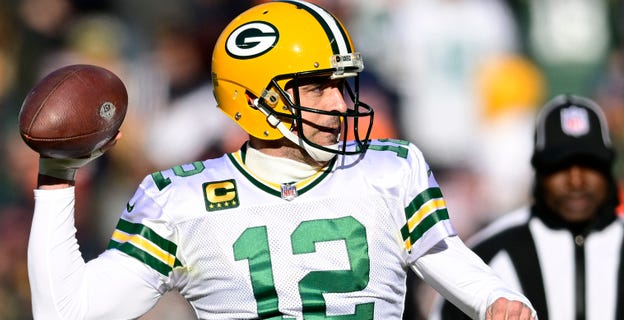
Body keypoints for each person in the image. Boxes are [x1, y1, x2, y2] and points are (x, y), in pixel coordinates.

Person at [26, 1, 537, 319]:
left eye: (342, 86)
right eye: (317, 88)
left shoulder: (391, 170)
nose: (340, 104)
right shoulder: (179, 200)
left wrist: (497, 301)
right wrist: (56, 177)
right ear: (255, 99)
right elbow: (68, 312)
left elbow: (450, 260)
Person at [430, 94, 624, 320]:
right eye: (560, 166)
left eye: (590, 165)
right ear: (538, 172)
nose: (576, 180)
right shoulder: (488, 255)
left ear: (609, 169)